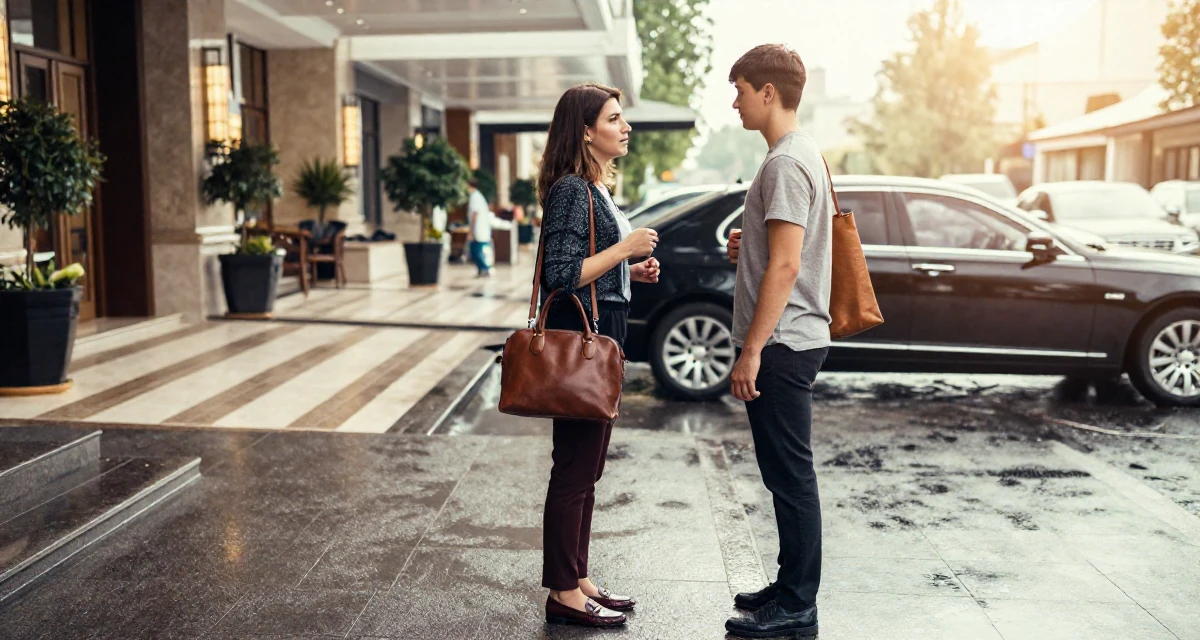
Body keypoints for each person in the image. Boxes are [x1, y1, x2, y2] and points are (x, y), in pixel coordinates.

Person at [536, 83, 661, 629]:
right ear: (587, 130)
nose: (625, 126)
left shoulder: (592, 187)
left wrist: (626, 271)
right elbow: (558, 276)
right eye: (615, 118)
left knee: (588, 467)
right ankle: (562, 592)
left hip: (602, 332)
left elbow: (584, 264)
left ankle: (578, 576)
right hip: (581, 338)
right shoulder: (570, 190)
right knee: (574, 467)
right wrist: (624, 249)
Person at [723, 44, 832, 639]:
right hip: (793, 337)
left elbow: (787, 268)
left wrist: (752, 350)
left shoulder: (786, 162)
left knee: (790, 475)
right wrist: (751, 250)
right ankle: (790, 584)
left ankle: (797, 604)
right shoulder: (799, 153)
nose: (734, 100)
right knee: (783, 473)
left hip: (785, 343)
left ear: (768, 92)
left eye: (739, 88)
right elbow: (783, 253)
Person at [467, 178, 493, 277]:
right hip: (481, 229)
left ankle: (484, 268)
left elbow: (475, 213)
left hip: (479, 228)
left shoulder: (475, 197)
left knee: (476, 250)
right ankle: (482, 269)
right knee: (477, 249)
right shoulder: (478, 196)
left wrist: (471, 230)